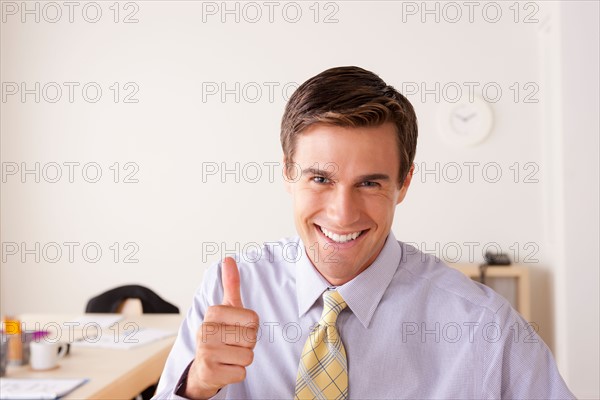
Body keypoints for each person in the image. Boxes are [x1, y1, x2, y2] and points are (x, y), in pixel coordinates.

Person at [153, 66, 574, 399]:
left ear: (403, 184)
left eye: (370, 183)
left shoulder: (484, 327)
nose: (342, 213)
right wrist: (195, 388)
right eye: (320, 179)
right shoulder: (229, 292)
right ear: (287, 173)